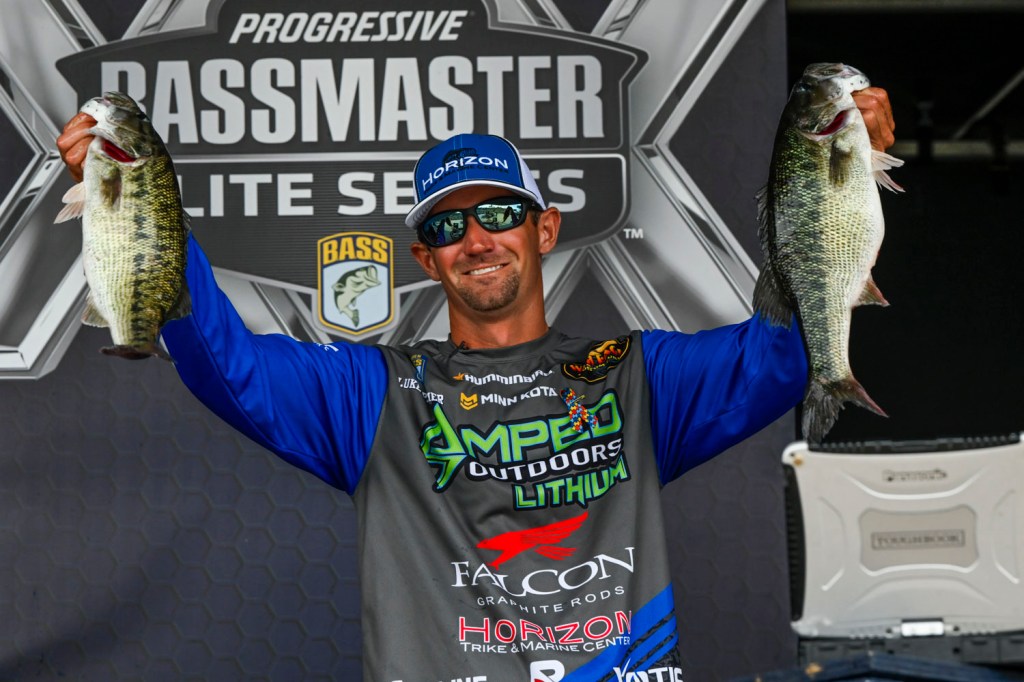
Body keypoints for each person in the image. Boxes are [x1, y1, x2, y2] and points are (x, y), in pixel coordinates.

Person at [57, 89, 896, 681]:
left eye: (498, 213)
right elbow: (224, 362)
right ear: (426, 258)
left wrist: (842, 173)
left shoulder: (639, 378)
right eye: (449, 224)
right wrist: (135, 205)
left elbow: (783, 354)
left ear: (544, 228)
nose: (477, 239)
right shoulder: (372, 396)